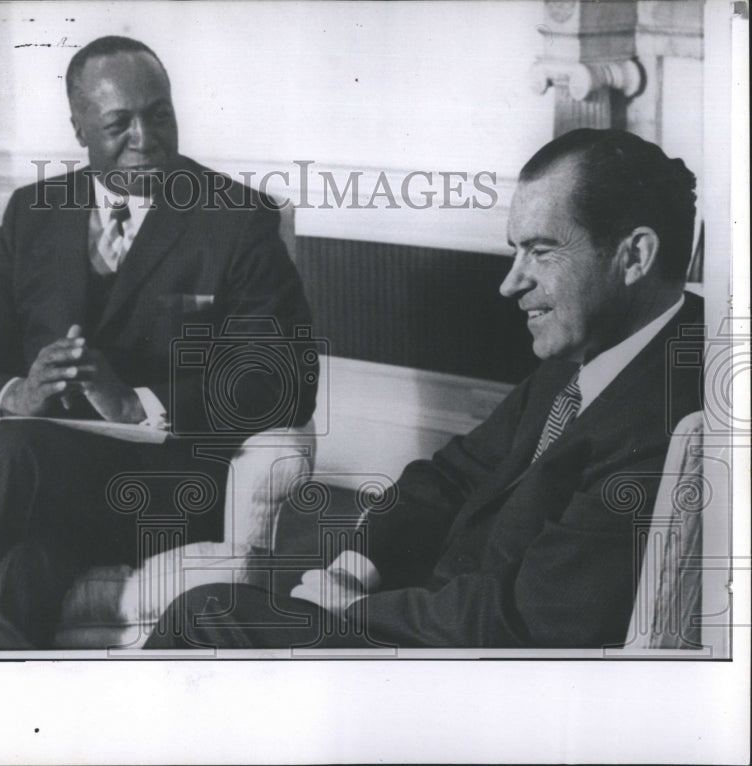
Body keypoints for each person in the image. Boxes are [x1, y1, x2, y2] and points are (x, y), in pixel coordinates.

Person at [145, 128, 704, 650]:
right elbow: (451, 474)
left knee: (205, 616)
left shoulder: (666, 414)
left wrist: (353, 609)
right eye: (515, 251)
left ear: (634, 256)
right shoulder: (598, 347)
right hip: (429, 612)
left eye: (540, 251)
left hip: (472, 676)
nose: (512, 283)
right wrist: (353, 566)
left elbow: (530, 617)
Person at [0, 36, 317, 648]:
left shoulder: (237, 221)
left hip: (162, 491)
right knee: (22, 567)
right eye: (118, 123)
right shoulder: (35, 214)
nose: (146, 139)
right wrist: (16, 393)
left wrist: (136, 403)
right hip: (36, 497)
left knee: (18, 450)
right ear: (78, 128)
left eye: (159, 115)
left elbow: (286, 379)